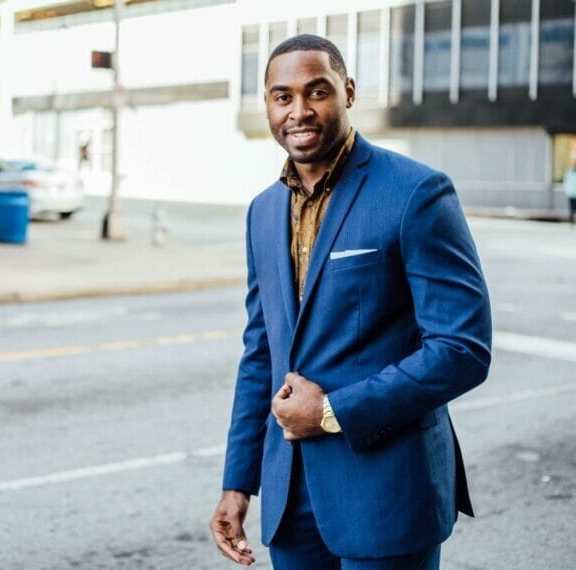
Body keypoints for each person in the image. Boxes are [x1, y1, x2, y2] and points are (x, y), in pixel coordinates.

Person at [209, 35, 492, 569]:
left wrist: (333, 412)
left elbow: (462, 349)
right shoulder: (263, 212)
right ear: (266, 105)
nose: (299, 111)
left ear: (349, 92)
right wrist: (238, 482)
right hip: (290, 496)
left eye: (317, 92)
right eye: (282, 96)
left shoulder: (415, 192)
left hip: (386, 492)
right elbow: (261, 353)